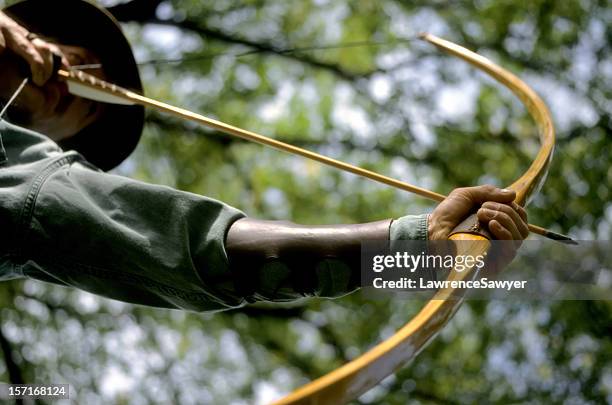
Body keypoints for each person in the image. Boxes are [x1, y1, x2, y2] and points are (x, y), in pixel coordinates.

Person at [0, 0, 529, 312]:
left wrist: (410, 248)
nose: (81, 78)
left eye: (89, 107)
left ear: (58, 140)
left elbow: (193, 245)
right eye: (76, 56)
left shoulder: (23, 174)